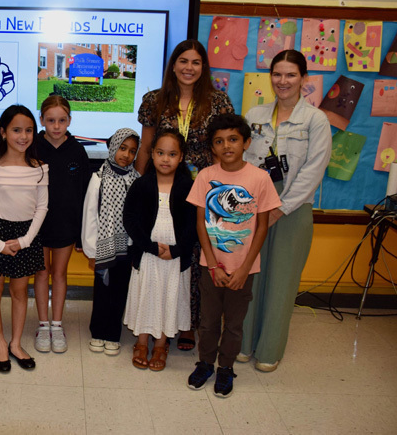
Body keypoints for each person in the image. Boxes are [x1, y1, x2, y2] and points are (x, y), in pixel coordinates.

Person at [134, 39, 235, 351]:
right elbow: (147, 145)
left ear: (203, 67)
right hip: (162, 188)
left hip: (200, 188)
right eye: (183, 61)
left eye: (195, 62)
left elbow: (222, 148)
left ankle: (188, 322)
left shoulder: (218, 102)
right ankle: (152, 319)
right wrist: (137, 186)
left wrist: (219, 191)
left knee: (193, 252)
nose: (189, 68)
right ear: (173, 65)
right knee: (159, 254)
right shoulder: (155, 100)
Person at [239, 50, 332, 372]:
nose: (283, 81)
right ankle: (244, 342)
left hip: (294, 212)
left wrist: (280, 208)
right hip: (255, 208)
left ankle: (269, 350)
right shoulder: (255, 115)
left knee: (281, 282)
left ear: (303, 79)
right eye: (277, 74)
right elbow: (245, 163)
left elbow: (313, 171)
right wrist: (250, 207)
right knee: (251, 276)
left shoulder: (316, 120)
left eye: (290, 75)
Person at [186, 114, 281, 398]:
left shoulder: (260, 178)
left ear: (246, 143)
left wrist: (244, 268)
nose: (227, 146)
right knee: (209, 320)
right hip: (211, 267)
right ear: (212, 148)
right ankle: (205, 364)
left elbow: (262, 226)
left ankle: (226, 367)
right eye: (219, 141)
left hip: (244, 269)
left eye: (233, 139)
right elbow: (201, 224)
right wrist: (213, 264)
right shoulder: (205, 177)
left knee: (235, 323)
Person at [0, 105, 49, 372]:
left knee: (19, 292)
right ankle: (0, 344)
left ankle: (16, 343)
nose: (23, 136)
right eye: (17, 130)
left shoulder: (40, 168)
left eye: (29, 130)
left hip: (25, 236)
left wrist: (25, 240)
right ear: (3, 132)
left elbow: (41, 208)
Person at [122, 130, 197, 371]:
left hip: (175, 260)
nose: (166, 159)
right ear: (152, 154)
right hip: (147, 257)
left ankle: (161, 344)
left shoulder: (188, 186)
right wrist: (152, 247)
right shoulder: (142, 184)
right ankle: (142, 342)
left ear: (181, 157)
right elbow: (130, 220)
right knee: (147, 296)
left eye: (172, 154)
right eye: (161, 153)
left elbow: (193, 225)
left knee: (168, 297)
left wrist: (175, 251)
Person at [34, 95, 91, 354]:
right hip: (36, 224)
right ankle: (42, 324)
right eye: (50, 120)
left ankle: (57, 325)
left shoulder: (77, 150)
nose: (56, 126)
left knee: (59, 273)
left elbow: (84, 194)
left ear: (69, 120)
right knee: (41, 273)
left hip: (66, 224)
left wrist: (82, 233)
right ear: (41, 120)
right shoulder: (32, 146)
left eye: (62, 120)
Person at [82, 128, 140, 357]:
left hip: (126, 248)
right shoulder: (99, 178)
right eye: (123, 148)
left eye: (132, 151)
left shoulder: (136, 180)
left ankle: (113, 334)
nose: (126, 155)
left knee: (119, 291)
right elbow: (90, 215)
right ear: (113, 147)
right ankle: (98, 332)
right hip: (104, 248)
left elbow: (138, 217)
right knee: (103, 292)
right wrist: (91, 250)